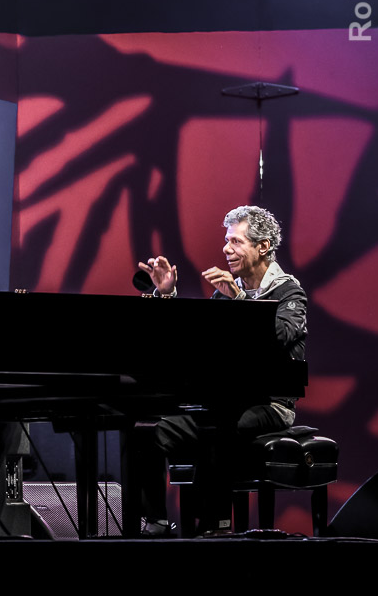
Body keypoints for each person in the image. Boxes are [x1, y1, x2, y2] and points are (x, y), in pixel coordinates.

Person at [135, 205, 307, 536]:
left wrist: (240, 299)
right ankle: (156, 521)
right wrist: (166, 294)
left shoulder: (289, 292)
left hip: (270, 404)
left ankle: (216, 527)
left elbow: (280, 337)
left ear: (263, 246)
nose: (226, 249)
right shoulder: (225, 293)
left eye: (235, 241)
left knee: (219, 427)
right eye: (226, 241)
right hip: (224, 403)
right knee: (149, 432)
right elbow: (195, 344)